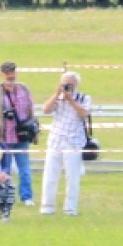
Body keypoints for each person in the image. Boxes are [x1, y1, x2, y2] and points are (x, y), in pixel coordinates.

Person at [0, 61, 36, 205]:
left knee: (24, 168)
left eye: (12, 72)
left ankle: (27, 197)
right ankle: (4, 195)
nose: (10, 76)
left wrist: (34, 130)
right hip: (3, 137)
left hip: (21, 137)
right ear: (2, 74)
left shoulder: (24, 89)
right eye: (7, 73)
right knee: (4, 169)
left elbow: (31, 111)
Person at [40, 71, 91, 216]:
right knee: (50, 176)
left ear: (76, 84)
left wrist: (71, 100)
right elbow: (45, 110)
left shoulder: (84, 98)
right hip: (56, 140)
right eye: (66, 83)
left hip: (74, 142)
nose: (68, 86)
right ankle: (47, 207)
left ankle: (70, 208)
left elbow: (84, 114)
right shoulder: (58, 97)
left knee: (72, 177)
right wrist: (57, 95)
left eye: (71, 84)